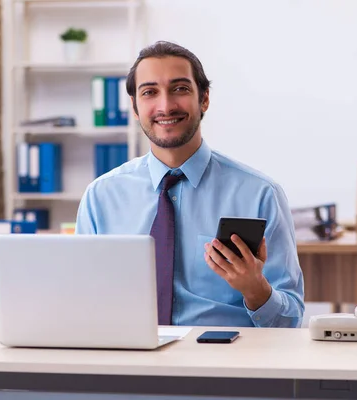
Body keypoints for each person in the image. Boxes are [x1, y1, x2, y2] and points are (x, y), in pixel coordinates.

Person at [75, 41, 304, 328]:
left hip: (224, 361)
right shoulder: (101, 196)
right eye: (149, 93)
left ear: (204, 99)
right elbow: (81, 300)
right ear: (134, 107)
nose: (165, 105)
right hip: (128, 358)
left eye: (180, 89)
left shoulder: (259, 194)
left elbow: (290, 321)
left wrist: (256, 289)